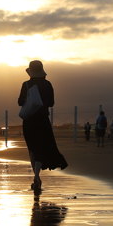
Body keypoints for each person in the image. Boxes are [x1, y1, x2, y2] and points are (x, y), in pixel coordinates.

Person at [17, 60, 68, 193]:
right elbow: (51, 103)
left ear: (31, 71)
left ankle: (36, 176)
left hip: (29, 121)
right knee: (42, 147)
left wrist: (31, 98)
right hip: (43, 120)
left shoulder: (26, 84)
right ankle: (36, 176)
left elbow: (20, 102)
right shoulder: (47, 84)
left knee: (32, 148)